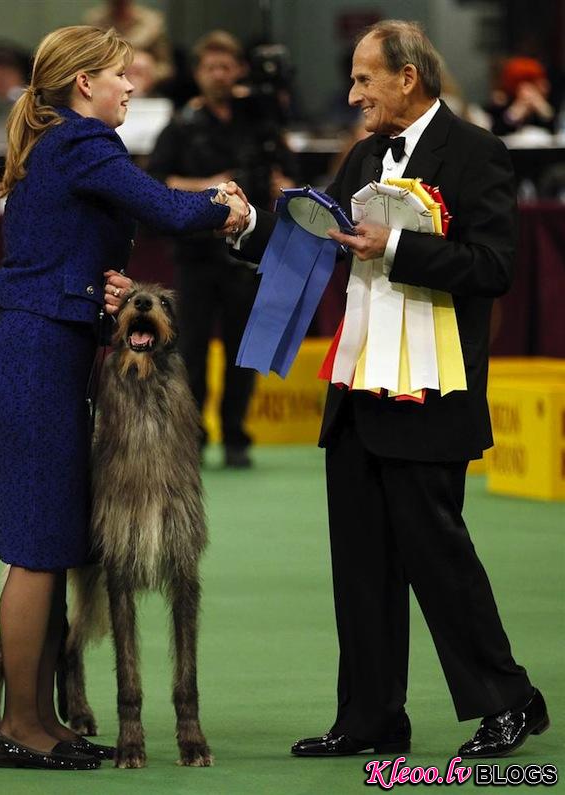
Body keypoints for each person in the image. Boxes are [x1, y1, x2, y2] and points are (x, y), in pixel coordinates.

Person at [223, 19, 548, 759]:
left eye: (366, 78)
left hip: (432, 394)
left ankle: (508, 699)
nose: (353, 92)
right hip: (357, 393)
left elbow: (494, 266)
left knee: (439, 558)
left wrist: (398, 247)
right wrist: (248, 228)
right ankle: (370, 718)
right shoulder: (366, 154)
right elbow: (315, 239)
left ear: (409, 77)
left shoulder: (477, 152)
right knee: (361, 566)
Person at [0, 25, 247, 772]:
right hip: (33, 362)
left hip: (39, 353)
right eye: (122, 75)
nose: (133, 86)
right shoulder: (85, 142)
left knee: (52, 545)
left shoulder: (53, 142)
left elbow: (51, 256)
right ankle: (22, 725)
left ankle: (45, 717)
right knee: (36, 552)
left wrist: (98, 294)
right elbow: (165, 207)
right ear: (85, 82)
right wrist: (227, 205)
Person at [148, 30, 297, 468]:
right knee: (189, 351)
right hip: (195, 256)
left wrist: (280, 188)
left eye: (226, 66)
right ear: (197, 74)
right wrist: (210, 187)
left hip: (248, 254)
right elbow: (156, 184)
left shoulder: (260, 123)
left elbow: (290, 175)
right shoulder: (180, 126)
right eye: (210, 67)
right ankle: (192, 438)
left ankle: (237, 436)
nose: (218, 74)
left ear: (239, 72)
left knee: (244, 351)